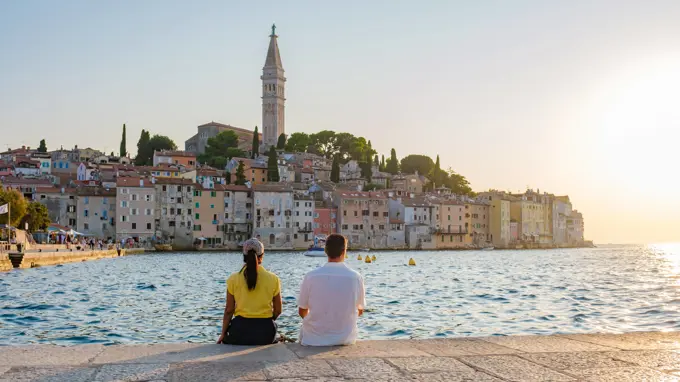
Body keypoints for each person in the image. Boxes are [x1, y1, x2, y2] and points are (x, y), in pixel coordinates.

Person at [298, 234, 366, 346]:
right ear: (344, 251)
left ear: (325, 251)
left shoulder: (310, 276)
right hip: (345, 339)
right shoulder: (356, 277)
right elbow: (360, 310)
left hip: (313, 339)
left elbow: (302, 311)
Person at [217, 238, 282, 345]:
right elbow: (278, 310)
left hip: (239, 332)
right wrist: (266, 321)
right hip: (265, 333)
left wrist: (223, 334)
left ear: (244, 256)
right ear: (262, 256)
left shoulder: (233, 279)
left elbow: (229, 310)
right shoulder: (274, 279)